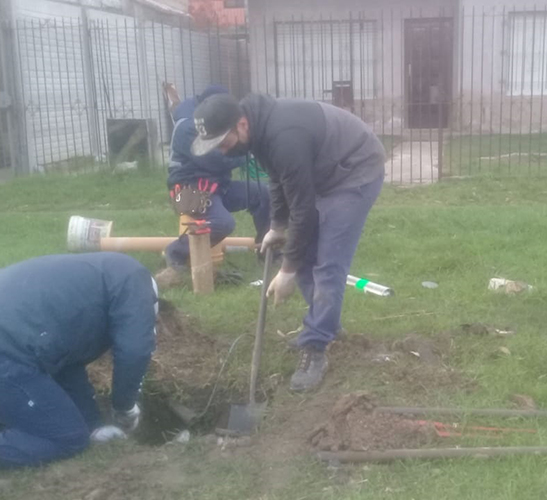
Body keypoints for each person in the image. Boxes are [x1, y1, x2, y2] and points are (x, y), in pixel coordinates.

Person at [191, 93, 385, 392]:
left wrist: (287, 271)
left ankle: (316, 347)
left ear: (241, 124)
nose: (222, 150)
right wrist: (278, 226)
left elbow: (304, 211)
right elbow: (279, 179)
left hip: (355, 170)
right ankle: (327, 326)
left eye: (223, 142)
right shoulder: (259, 130)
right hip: (325, 171)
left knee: (328, 262)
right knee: (306, 253)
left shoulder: (284, 135)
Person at [0, 253, 158, 468]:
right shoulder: (135, 286)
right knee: (68, 438)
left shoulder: (106, 279)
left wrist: (93, 425)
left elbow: (66, 362)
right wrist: (125, 407)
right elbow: (134, 350)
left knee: (77, 427)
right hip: (8, 348)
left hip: (14, 336)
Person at [156, 85, 271, 287]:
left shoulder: (205, 125)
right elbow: (218, 161)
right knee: (223, 222)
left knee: (264, 194)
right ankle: (176, 251)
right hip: (185, 193)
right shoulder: (187, 129)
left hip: (216, 188)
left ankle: (267, 251)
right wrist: (248, 151)